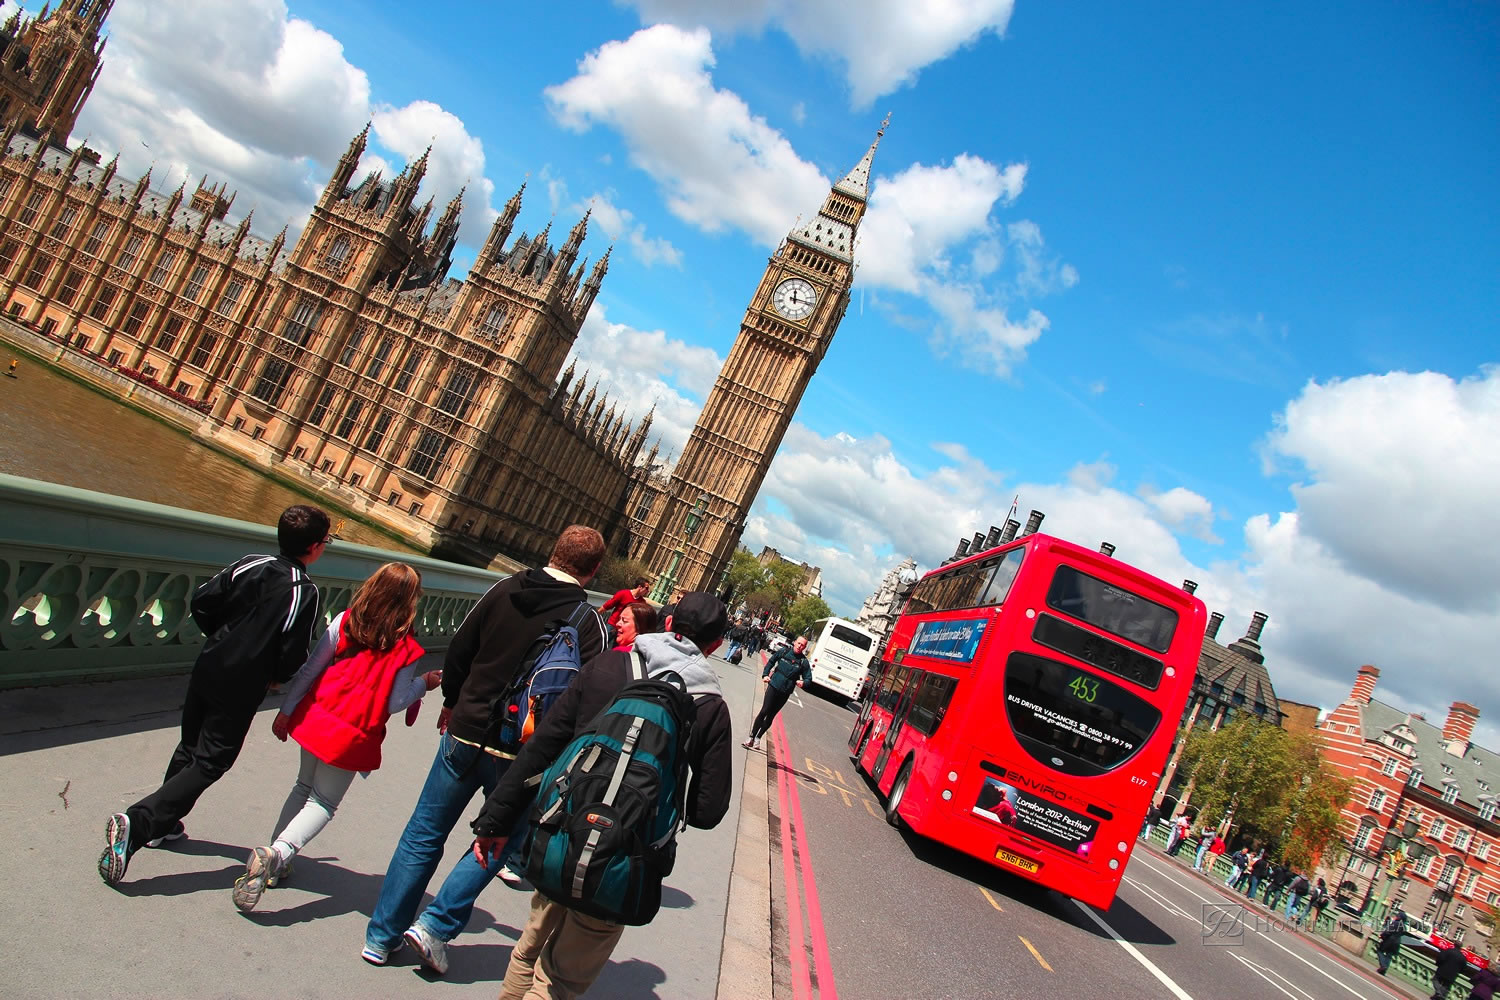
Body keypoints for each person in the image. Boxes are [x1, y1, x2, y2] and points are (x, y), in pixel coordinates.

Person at [362, 525, 609, 970]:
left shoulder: (504, 587)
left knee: (423, 833)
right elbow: (587, 704)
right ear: (593, 571)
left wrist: (453, 702)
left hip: (464, 730)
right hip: (524, 753)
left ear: (553, 550)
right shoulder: (590, 624)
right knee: (497, 841)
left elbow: (459, 650)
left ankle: (381, 937)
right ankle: (434, 927)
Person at [470, 592, 735, 1000]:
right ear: (715, 646)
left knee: (527, 953)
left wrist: (496, 820)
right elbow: (706, 811)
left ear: (666, 624)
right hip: (623, 858)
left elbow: (543, 746)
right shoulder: (711, 708)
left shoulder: (610, 664)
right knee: (560, 981)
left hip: (561, 831)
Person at [98, 504, 329, 886]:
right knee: (211, 761)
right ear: (315, 547)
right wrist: (275, 678)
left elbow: (203, 600)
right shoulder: (304, 591)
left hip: (209, 664)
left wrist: (220, 638)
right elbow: (294, 653)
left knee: (190, 746)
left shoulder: (250, 563)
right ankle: (138, 824)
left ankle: (162, 825)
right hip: (242, 683)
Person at [230, 563, 437, 912]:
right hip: (351, 734)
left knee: (302, 786)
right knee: (323, 803)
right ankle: (276, 854)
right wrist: (425, 684)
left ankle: (273, 866)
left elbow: (312, 668)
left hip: (316, 717)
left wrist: (287, 709)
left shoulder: (345, 621)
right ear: (411, 602)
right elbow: (397, 701)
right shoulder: (407, 648)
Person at [743, 635, 812, 750]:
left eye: (803, 645)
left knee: (771, 716)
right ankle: (751, 737)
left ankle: (758, 738)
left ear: (804, 647)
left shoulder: (803, 662)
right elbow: (771, 661)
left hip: (785, 691)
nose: (800, 646)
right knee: (764, 711)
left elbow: (809, 679)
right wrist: (765, 675)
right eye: (799, 643)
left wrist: (803, 683)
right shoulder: (784, 652)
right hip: (774, 685)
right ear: (795, 642)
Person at [1377, 908, 1407, 975]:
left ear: (1399, 917)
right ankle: (1384, 969)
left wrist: (1381, 936)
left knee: (1380, 951)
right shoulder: (1404, 926)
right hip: (1397, 942)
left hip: (1389, 941)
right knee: (1389, 955)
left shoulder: (1395, 923)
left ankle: (1383, 966)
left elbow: (1388, 932)